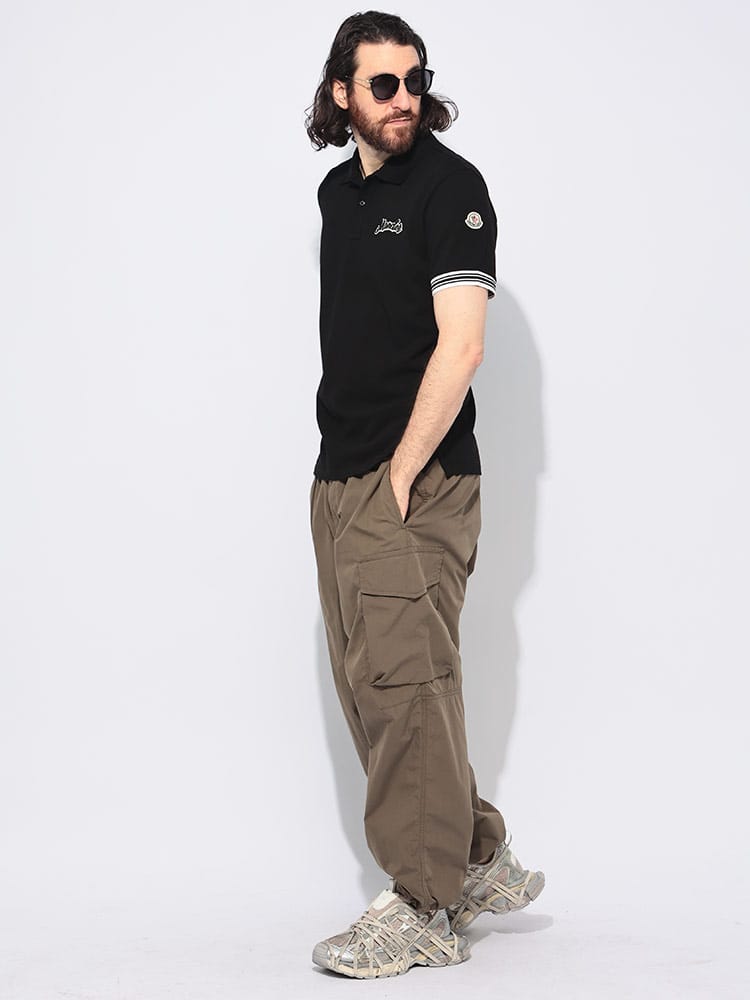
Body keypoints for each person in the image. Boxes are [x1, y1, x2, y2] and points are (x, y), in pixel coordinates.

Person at [306, 11, 545, 979]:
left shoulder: (453, 189)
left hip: (416, 479)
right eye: (383, 84)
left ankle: (424, 906)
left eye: (416, 80)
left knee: (407, 691)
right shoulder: (338, 193)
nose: (405, 99)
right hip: (339, 474)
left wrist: (400, 473)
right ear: (342, 95)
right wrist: (345, 476)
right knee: (376, 690)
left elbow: (463, 343)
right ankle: (474, 854)